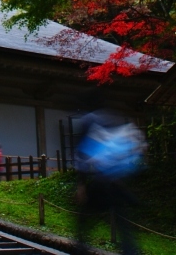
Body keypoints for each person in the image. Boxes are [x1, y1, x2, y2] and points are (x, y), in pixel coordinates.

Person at [73, 91, 145, 255]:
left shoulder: (89, 121)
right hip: (118, 181)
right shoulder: (113, 118)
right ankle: (131, 252)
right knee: (123, 224)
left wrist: (81, 185)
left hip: (101, 181)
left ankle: (80, 250)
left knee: (84, 221)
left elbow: (83, 155)